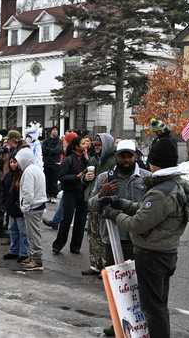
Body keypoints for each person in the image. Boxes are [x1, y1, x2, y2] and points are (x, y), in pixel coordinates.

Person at [101, 136, 189, 338]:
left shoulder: (160, 192)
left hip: (153, 257)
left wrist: (114, 214)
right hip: (165, 253)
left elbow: (138, 224)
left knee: (153, 310)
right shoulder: (172, 185)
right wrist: (121, 203)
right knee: (159, 306)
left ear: (155, 162)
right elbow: (146, 211)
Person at [87, 140, 151, 336]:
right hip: (113, 240)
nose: (125, 159)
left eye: (129, 155)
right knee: (118, 286)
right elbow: (91, 204)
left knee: (140, 285)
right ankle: (117, 322)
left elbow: (151, 207)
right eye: (122, 155)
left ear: (136, 156)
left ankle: (140, 324)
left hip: (139, 238)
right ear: (116, 156)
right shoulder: (105, 177)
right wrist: (101, 195)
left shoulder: (147, 178)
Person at [81, 133, 115, 275]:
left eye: (99, 145)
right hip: (92, 201)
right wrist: (85, 178)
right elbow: (84, 176)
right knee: (92, 234)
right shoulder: (94, 160)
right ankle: (95, 264)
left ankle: (106, 267)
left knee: (104, 236)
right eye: (95, 145)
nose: (96, 147)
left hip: (105, 203)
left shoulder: (113, 161)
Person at [52, 135, 90, 254]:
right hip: (70, 193)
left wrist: (87, 158)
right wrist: (75, 177)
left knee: (81, 220)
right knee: (66, 220)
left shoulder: (86, 159)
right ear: (76, 146)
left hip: (83, 193)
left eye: (86, 144)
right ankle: (58, 245)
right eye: (83, 143)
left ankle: (76, 246)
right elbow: (61, 177)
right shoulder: (69, 159)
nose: (86, 146)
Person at [16, 147, 47, 271]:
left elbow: (28, 192)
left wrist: (25, 207)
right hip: (38, 205)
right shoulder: (36, 169)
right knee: (33, 233)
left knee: (33, 234)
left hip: (33, 207)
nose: (18, 164)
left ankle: (36, 260)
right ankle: (33, 257)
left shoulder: (28, 171)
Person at [3, 156, 29, 262]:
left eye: (15, 162)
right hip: (11, 207)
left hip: (19, 208)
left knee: (22, 231)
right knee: (13, 230)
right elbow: (4, 190)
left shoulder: (23, 175)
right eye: (11, 162)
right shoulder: (8, 175)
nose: (13, 164)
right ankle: (13, 251)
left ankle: (23, 253)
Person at [42, 126, 62, 201]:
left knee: (54, 180)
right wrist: (51, 151)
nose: (55, 131)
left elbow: (58, 150)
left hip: (55, 164)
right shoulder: (45, 141)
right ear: (51, 132)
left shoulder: (59, 141)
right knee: (47, 180)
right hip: (47, 163)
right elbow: (43, 150)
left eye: (56, 130)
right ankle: (47, 195)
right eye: (54, 130)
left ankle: (53, 195)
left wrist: (49, 151)